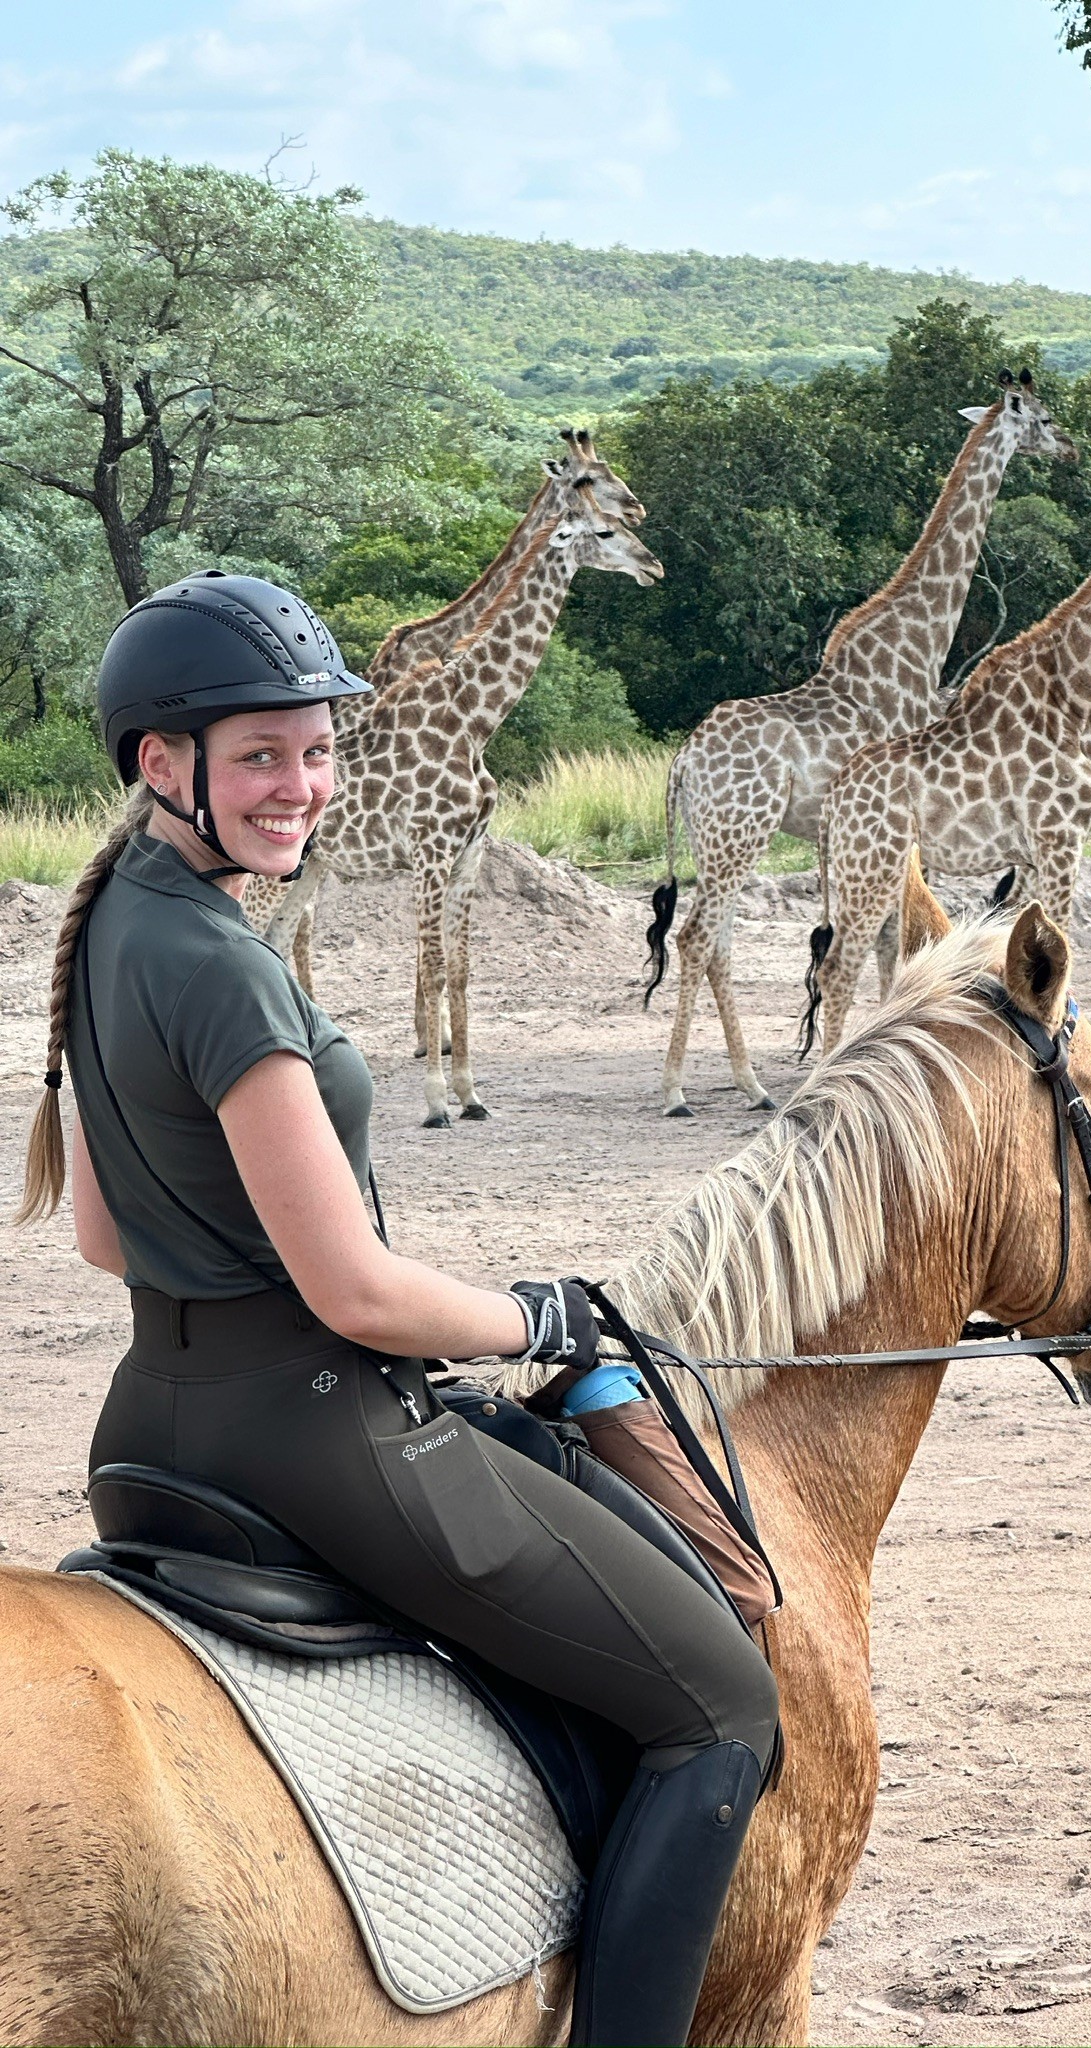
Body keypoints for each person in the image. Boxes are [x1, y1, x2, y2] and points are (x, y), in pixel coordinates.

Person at [15, 570, 778, 2048]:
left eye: (315, 750)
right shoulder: (224, 965)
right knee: (720, 1710)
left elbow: (110, 1237)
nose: (300, 786)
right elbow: (357, 1293)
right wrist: (540, 1322)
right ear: (160, 764)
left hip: (154, 1426)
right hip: (322, 1437)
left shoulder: (114, 921)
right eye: (260, 757)